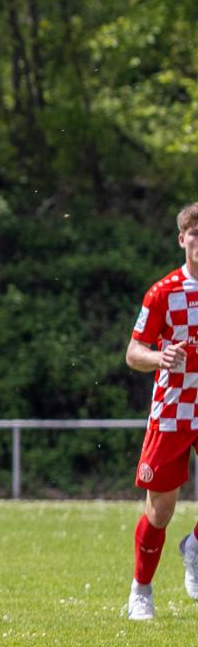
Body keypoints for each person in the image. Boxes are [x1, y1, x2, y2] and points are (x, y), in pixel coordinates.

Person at [123, 201, 198, 620]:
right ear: (182, 239)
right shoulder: (163, 293)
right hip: (173, 410)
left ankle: (194, 547)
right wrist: (159, 358)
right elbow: (133, 352)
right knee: (161, 511)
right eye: (196, 235)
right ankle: (141, 589)